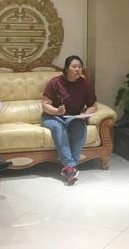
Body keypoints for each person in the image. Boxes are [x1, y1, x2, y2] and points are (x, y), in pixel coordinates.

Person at [42, 55, 97, 185]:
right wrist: (57, 111)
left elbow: (93, 106)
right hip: (52, 116)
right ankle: (71, 166)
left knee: (80, 128)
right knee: (58, 128)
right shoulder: (55, 82)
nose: (77, 69)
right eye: (74, 67)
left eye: (80, 67)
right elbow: (45, 105)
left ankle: (69, 169)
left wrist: (86, 114)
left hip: (73, 118)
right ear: (66, 69)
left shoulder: (85, 84)